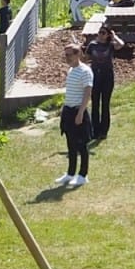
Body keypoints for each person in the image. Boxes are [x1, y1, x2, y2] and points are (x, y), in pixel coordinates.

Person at [56, 43, 93, 188]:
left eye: (69, 55)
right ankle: (71, 173)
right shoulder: (71, 70)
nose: (67, 58)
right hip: (68, 111)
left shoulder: (85, 71)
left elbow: (87, 93)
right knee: (70, 143)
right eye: (65, 55)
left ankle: (83, 175)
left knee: (81, 144)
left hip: (78, 111)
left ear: (78, 54)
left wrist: (81, 113)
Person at [85, 24, 123, 141]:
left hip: (107, 77)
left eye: (103, 33)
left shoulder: (111, 45)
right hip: (95, 76)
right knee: (95, 104)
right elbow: (85, 58)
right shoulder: (92, 45)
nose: (100, 35)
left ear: (108, 35)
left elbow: (121, 45)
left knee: (105, 104)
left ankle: (103, 131)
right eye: (99, 32)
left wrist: (114, 36)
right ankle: (95, 131)